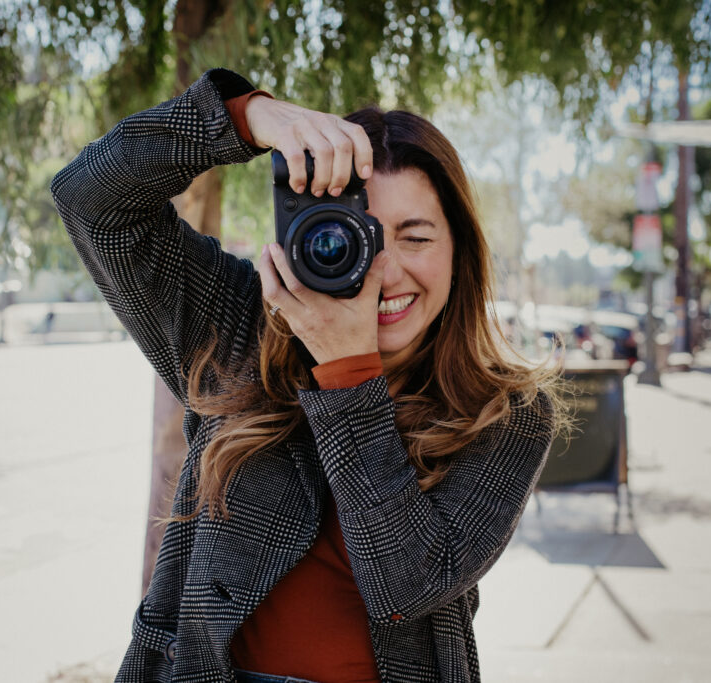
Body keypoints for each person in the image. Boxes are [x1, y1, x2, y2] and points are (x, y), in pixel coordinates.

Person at [52, 68, 558, 683]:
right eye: (357, 235)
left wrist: (348, 371)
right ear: (301, 235)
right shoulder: (238, 328)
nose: (387, 272)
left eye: (416, 237)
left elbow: (408, 586)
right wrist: (245, 118)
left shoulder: (506, 411)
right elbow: (89, 200)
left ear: (460, 251)